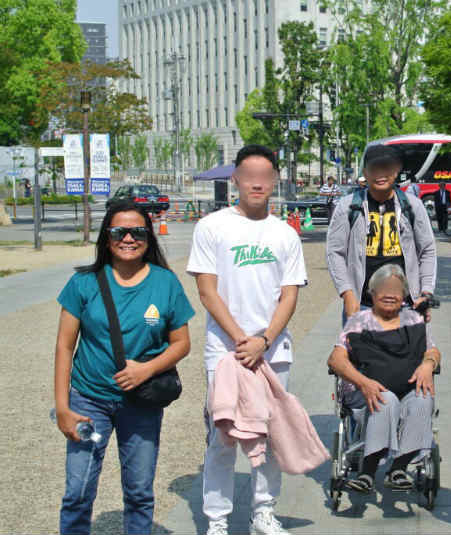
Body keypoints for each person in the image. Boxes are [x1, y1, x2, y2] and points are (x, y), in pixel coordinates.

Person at [187, 145, 308, 535]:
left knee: (272, 435)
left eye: (265, 175)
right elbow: (207, 290)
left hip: (274, 350)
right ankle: (217, 520)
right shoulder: (212, 227)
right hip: (224, 352)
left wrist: (265, 339)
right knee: (222, 438)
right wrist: (243, 339)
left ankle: (263, 513)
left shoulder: (285, 234)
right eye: (249, 174)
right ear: (235, 179)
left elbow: (290, 294)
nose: (257, 182)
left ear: (275, 181)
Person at [54, 199, 194, 535]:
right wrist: (63, 408)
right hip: (89, 401)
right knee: (78, 491)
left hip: (140, 405)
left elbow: (182, 343)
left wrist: (146, 370)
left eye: (137, 232)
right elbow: (64, 345)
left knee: (140, 493)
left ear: (149, 237)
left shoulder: (165, 282)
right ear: (106, 237)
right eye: (119, 231)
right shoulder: (84, 284)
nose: (128, 238)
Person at [327, 264, 441, 493]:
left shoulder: (414, 320)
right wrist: (364, 382)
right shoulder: (359, 321)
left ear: (403, 296)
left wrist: (428, 365)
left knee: (423, 399)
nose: (390, 293)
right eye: (384, 288)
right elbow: (336, 360)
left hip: (406, 388)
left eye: (396, 289)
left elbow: (433, 351)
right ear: (373, 293)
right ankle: (367, 472)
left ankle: (398, 468)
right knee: (385, 398)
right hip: (367, 389)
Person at [326, 144, 436, 324]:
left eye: (387, 168)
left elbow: (427, 250)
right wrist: (347, 292)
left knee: (409, 352)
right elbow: (334, 252)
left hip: (407, 305)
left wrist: (426, 293)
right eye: (374, 168)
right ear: (365, 172)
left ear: (396, 171)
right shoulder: (348, 206)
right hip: (360, 306)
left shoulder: (412, 206)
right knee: (357, 352)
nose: (380, 174)